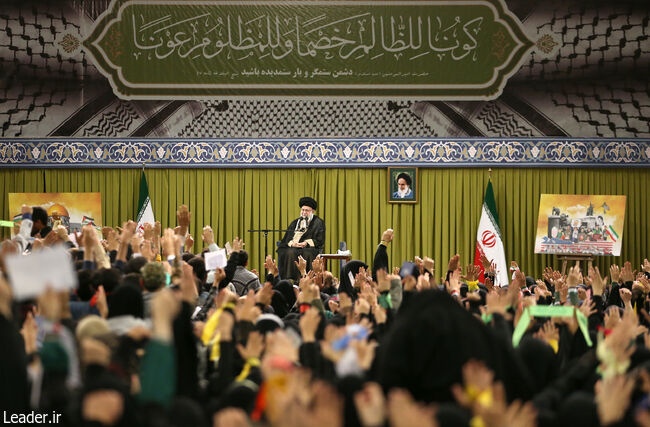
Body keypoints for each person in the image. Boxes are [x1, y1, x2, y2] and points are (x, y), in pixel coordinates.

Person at [277, 197, 325, 281]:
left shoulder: (318, 222)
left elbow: (320, 240)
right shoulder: (295, 222)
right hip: (294, 246)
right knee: (289, 252)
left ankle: (306, 279)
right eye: (302, 210)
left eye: (307, 210)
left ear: (312, 211)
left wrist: (306, 243)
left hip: (309, 248)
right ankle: (290, 279)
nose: (304, 212)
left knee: (307, 253)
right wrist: (292, 243)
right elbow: (287, 238)